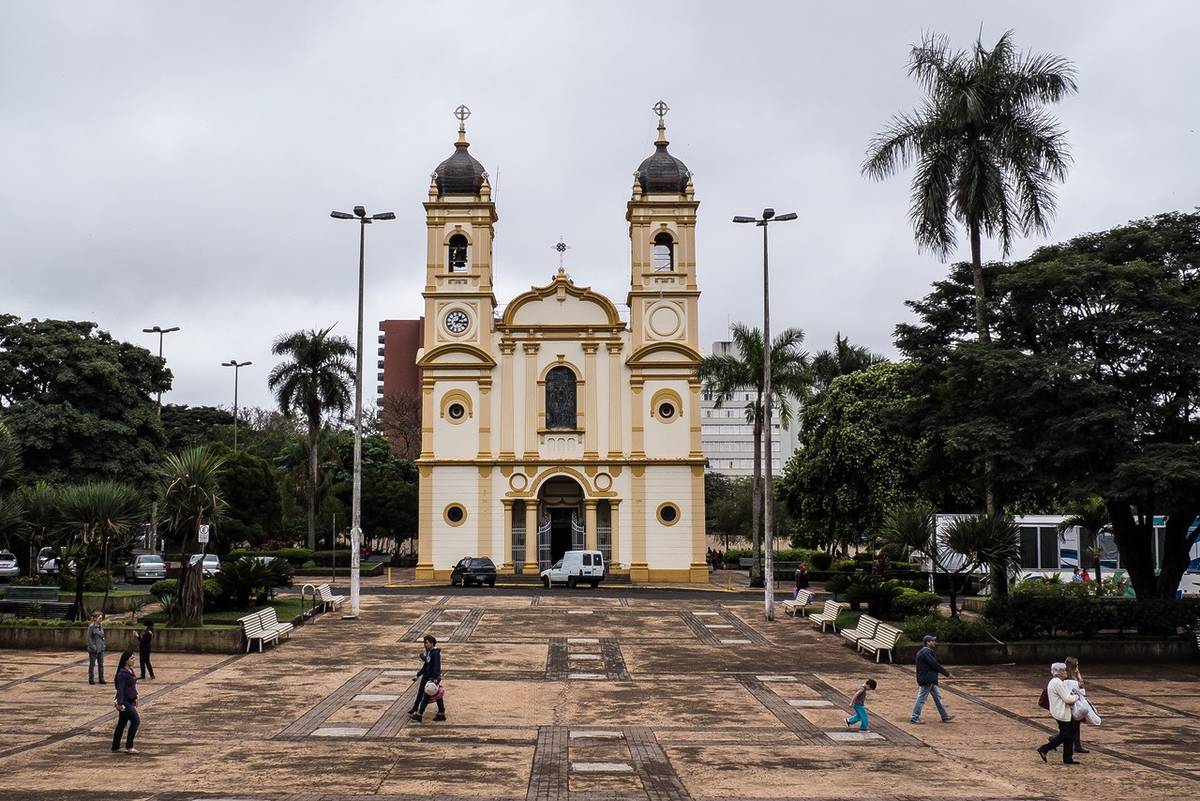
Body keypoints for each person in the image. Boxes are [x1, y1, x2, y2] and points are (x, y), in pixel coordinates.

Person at [1038, 662, 1080, 765]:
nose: (1066, 672)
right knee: (1066, 734)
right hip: (1061, 712)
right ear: (1060, 672)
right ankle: (1045, 748)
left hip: (1060, 711)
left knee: (1069, 733)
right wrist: (1076, 697)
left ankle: (1068, 758)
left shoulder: (1056, 682)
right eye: (1064, 670)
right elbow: (1067, 699)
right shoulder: (1057, 682)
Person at [910, 634, 953, 724]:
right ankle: (914, 717)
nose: (934, 642)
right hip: (927, 679)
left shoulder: (925, 652)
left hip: (930, 679)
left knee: (938, 697)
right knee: (921, 698)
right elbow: (934, 665)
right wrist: (947, 673)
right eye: (932, 641)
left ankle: (944, 716)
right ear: (928, 642)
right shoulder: (926, 652)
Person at [408, 634, 445, 723]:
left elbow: (436, 667)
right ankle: (441, 713)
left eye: (427, 643)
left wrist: (434, 678)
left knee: (427, 695)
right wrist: (418, 675)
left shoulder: (435, 654)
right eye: (425, 643)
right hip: (428, 677)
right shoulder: (430, 653)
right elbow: (426, 666)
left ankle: (419, 714)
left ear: (432, 643)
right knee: (437, 695)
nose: (425, 645)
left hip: (432, 678)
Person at [112, 650, 140, 753]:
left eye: (134, 658)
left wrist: (135, 696)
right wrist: (119, 703)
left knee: (122, 723)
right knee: (135, 721)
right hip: (124, 701)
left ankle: (115, 746)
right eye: (131, 658)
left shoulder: (131, 671)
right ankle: (129, 746)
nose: (133, 660)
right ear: (126, 660)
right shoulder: (122, 673)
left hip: (130, 699)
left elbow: (132, 686)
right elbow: (121, 689)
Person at [1063, 656, 1088, 753]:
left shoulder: (1068, 675)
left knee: (1074, 725)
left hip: (1072, 702)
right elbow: (1081, 684)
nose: (1077, 667)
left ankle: (1077, 744)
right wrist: (1078, 673)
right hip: (1070, 703)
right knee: (1072, 726)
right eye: (1076, 665)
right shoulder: (1068, 676)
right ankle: (1056, 739)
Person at [87, 611, 107, 685]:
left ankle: (101, 678)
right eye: (100, 618)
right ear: (95, 618)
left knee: (101, 664)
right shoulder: (91, 627)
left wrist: (104, 645)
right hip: (94, 649)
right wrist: (93, 647)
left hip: (101, 648)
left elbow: (103, 636)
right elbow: (89, 638)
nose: (101, 619)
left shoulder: (101, 626)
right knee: (92, 664)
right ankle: (91, 679)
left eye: (101, 618)